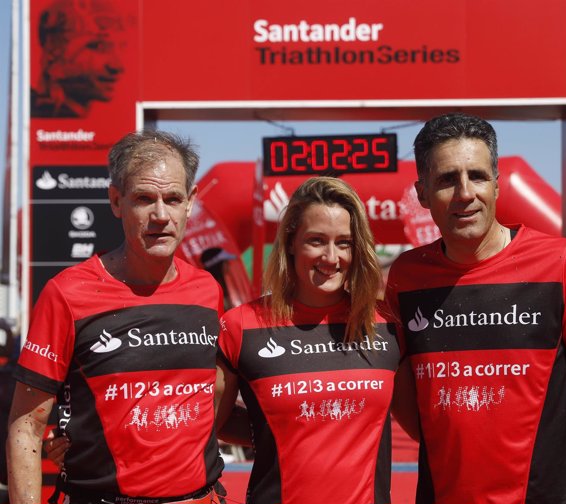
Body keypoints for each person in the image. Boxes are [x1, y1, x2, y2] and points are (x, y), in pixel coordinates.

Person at [385, 113, 566, 503]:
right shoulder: (406, 276)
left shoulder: (562, 261)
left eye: (478, 176)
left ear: (498, 184)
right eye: (447, 179)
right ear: (421, 193)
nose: (465, 193)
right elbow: (413, 410)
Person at [7, 130, 226, 503]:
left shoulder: (208, 292)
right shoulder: (67, 294)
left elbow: (213, 397)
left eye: (173, 199)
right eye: (144, 198)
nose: (160, 215)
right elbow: (26, 426)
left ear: (189, 204)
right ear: (115, 201)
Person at [215, 176, 402, 504]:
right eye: (316, 240)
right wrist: (279, 428)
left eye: (344, 242)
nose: (331, 257)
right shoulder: (241, 326)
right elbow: (212, 421)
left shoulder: (386, 324)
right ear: (290, 242)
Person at [31, 0, 126, 118]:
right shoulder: (33, 114)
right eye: (98, 46)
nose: (117, 66)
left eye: (122, 46)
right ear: (53, 49)